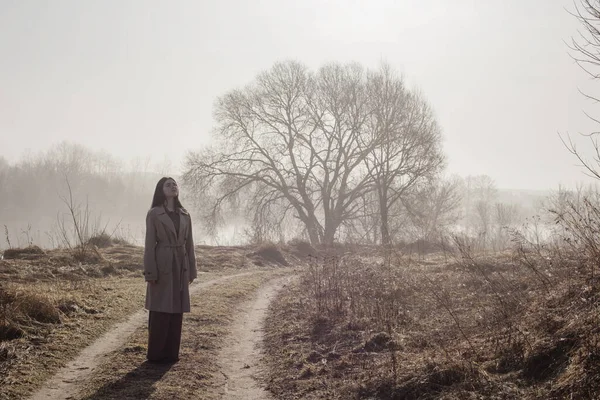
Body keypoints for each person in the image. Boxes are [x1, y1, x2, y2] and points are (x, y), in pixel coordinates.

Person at [143, 177, 197, 363]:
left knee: (177, 308)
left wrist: (192, 270)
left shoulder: (185, 214)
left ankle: (172, 354)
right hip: (162, 261)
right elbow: (149, 245)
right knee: (160, 308)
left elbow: (189, 244)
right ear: (161, 190)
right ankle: (156, 354)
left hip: (180, 264)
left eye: (175, 184)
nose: (173, 187)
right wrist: (150, 271)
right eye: (168, 185)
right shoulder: (154, 214)